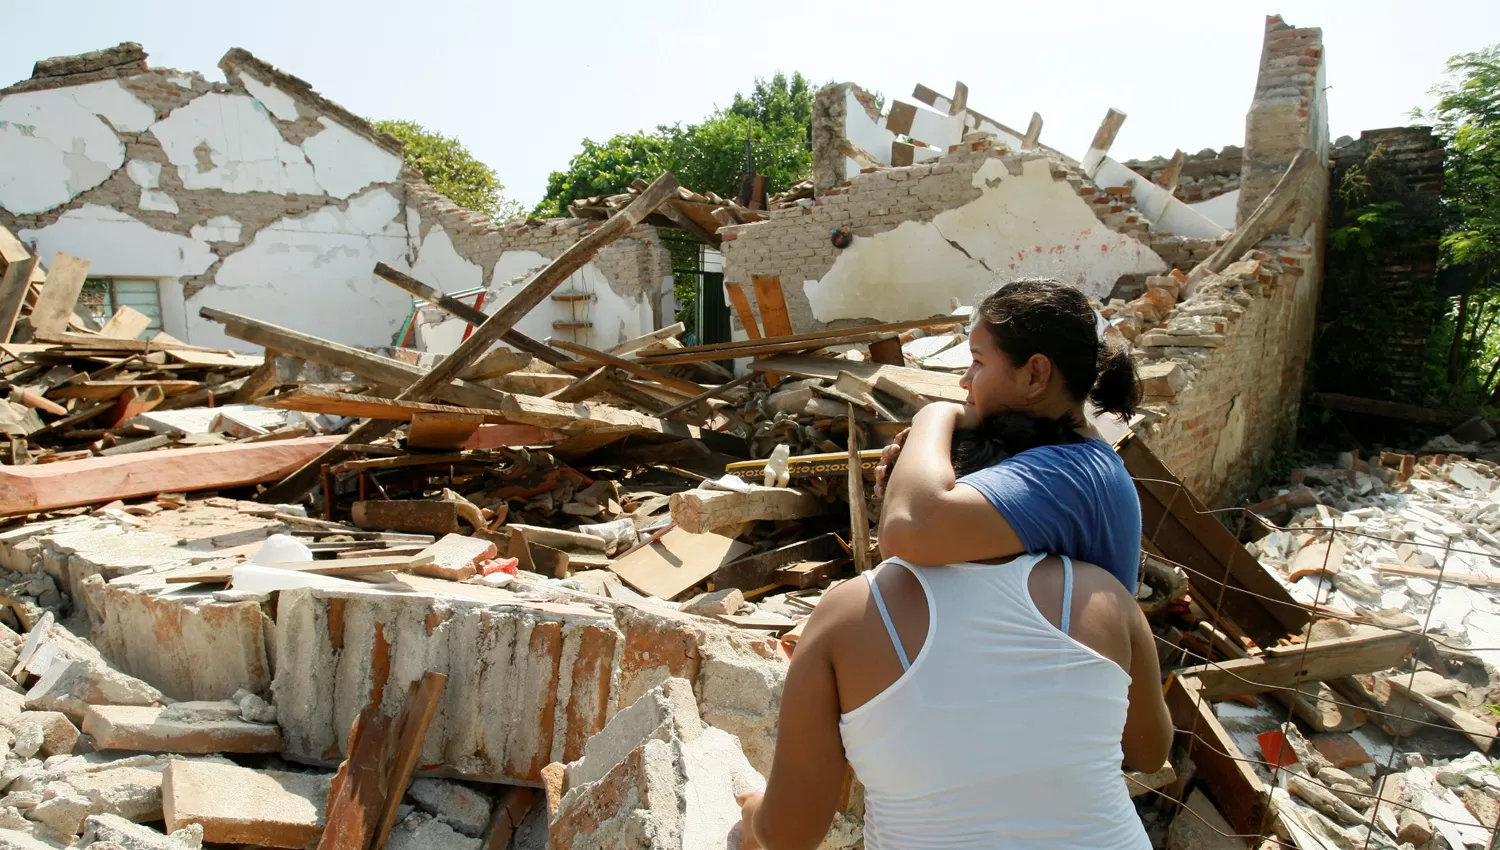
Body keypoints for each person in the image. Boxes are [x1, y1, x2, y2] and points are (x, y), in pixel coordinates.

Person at [735, 279, 1172, 848]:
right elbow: (1145, 748)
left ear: (1035, 375)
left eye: (976, 362)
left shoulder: (1066, 472)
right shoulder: (1097, 574)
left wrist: (932, 419)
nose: (965, 384)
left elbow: (910, 526)